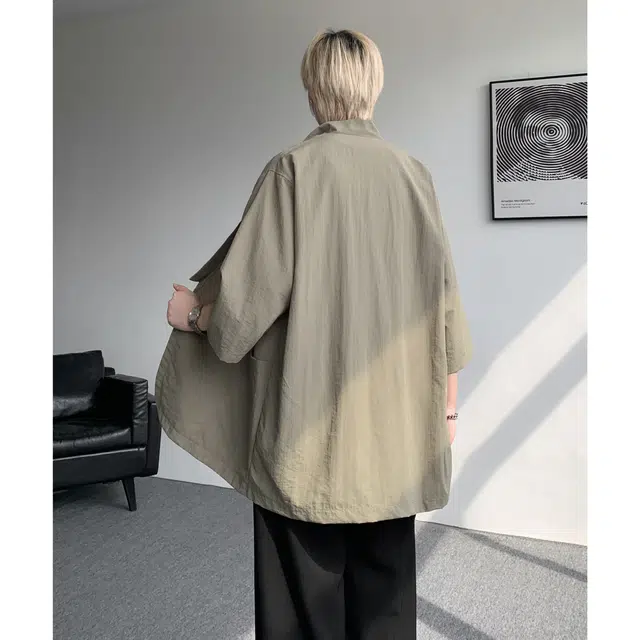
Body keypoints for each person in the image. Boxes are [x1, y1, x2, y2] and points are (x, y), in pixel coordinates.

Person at [159, 28, 471, 640]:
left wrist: (191, 315)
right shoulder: (415, 175)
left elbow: (239, 319)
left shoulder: (293, 171)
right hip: (397, 437)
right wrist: (448, 411)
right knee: (385, 608)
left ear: (313, 89)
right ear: (375, 85)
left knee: (303, 610)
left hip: (307, 438)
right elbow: (445, 307)